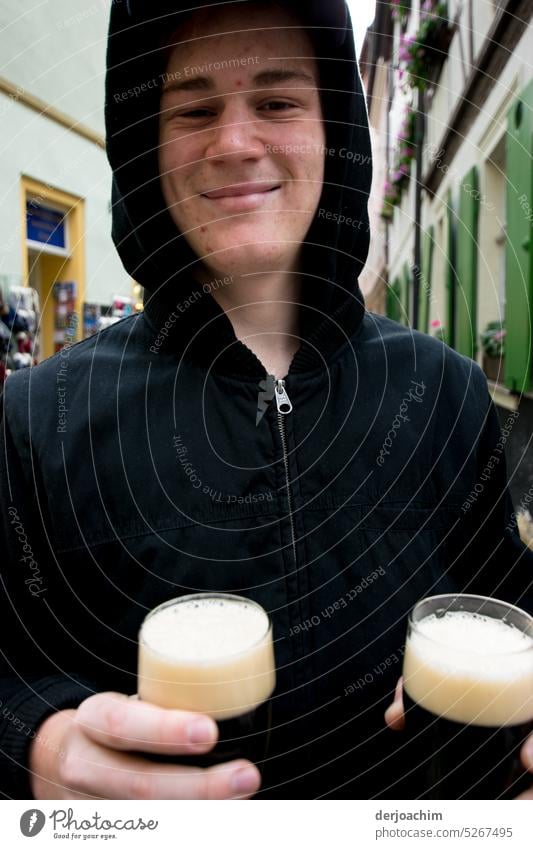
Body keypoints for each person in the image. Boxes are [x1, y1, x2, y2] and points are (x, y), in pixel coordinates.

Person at [1, 0, 532, 801]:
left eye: (277, 101)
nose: (235, 142)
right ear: (144, 145)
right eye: (195, 108)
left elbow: (511, 602)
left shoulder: (446, 390)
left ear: (334, 131)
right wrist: (32, 744)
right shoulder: (37, 417)